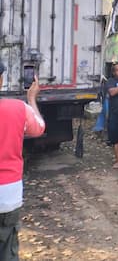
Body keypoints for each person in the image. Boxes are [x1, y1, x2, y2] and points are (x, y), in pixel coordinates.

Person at [0, 67, 45, 261]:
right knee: (8, 248)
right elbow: (38, 129)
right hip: (8, 194)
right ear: (1, 80)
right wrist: (32, 99)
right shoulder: (18, 108)